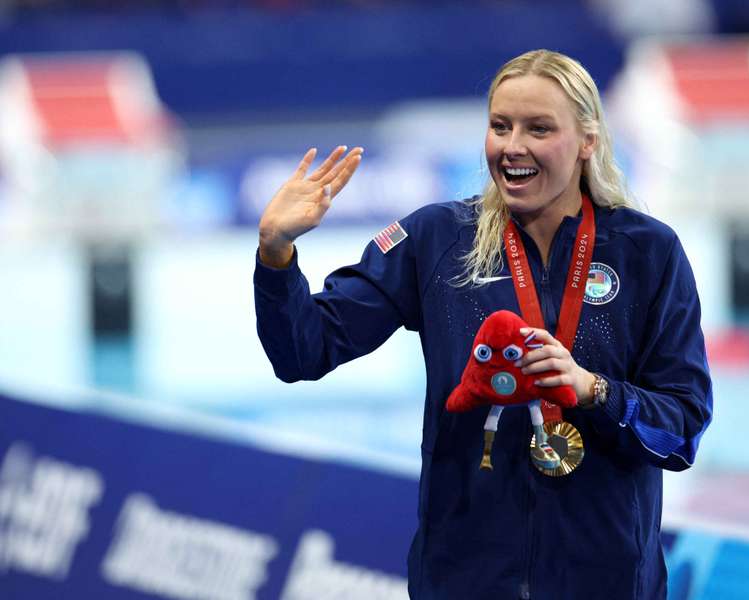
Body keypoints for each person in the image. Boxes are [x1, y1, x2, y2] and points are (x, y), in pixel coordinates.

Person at [254, 49, 712, 600]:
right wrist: (275, 255)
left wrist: (594, 391)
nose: (513, 146)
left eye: (538, 128)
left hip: (604, 583)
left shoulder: (648, 253)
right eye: (501, 126)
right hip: (464, 582)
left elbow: (682, 430)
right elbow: (303, 353)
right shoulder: (437, 240)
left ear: (587, 141)